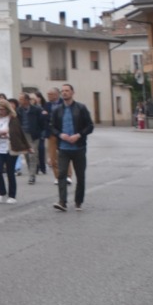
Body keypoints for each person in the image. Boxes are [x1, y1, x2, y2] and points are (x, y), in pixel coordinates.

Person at [49, 83, 95, 212]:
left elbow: (90, 126)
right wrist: (60, 134)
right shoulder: (57, 110)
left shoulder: (81, 108)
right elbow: (52, 126)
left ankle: (78, 202)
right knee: (62, 174)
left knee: (80, 176)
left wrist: (79, 135)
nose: (64, 93)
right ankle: (62, 202)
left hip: (78, 148)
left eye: (67, 91)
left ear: (72, 93)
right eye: (63, 91)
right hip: (63, 148)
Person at [0, 97, 26, 205]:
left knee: (10, 172)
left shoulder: (13, 119)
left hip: (9, 149)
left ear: (7, 109)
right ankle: (2, 193)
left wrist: (7, 134)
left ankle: (12, 195)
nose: (0, 111)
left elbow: (16, 133)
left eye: (2, 109)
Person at [20, 91, 46, 183]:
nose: (20, 101)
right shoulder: (19, 110)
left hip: (34, 135)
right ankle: (31, 170)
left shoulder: (36, 109)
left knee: (33, 155)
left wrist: (40, 132)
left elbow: (42, 122)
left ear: (27, 100)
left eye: (22, 99)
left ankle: (32, 175)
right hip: (24, 135)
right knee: (26, 154)